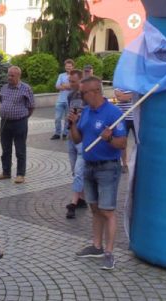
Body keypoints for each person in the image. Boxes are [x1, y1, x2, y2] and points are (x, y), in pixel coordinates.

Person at [68, 76, 127, 270]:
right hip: (89, 166)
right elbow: (77, 140)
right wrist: (73, 125)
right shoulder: (86, 112)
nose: (81, 97)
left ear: (95, 92)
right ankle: (96, 246)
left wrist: (109, 139)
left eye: (83, 93)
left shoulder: (113, 113)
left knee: (107, 211)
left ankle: (109, 253)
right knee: (94, 209)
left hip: (108, 167)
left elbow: (122, 143)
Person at [0, 66, 35, 184]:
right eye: (9, 75)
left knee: (20, 149)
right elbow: (2, 100)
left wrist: (23, 117)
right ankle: (6, 172)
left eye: (12, 76)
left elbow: (31, 106)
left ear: (18, 76)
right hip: (5, 122)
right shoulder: (4, 88)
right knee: (5, 149)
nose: (9, 77)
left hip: (19, 122)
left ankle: (20, 174)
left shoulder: (26, 88)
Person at [64, 69, 88, 219]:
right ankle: (82, 199)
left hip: (83, 138)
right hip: (71, 136)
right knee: (75, 171)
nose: (70, 84)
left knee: (79, 172)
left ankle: (73, 203)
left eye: (73, 81)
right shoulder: (70, 96)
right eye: (70, 81)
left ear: (80, 80)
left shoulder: (87, 96)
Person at [113, 87, 138, 174]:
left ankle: (138, 163)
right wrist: (132, 95)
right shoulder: (119, 85)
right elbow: (120, 98)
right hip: (123, 118)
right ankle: (124, 164)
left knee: (139, 143)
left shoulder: (134, 84)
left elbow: (124, 96)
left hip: (135, 117)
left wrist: (125, 95)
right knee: (122, 143)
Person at [51, 59, 74, 140]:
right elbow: (57, 86)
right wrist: (67, 86)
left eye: (70, 66)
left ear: (73, 67)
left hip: (70, 101)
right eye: (67, 66)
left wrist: (64, 85)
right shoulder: (61, 75)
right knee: (57, 118)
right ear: (65, 67)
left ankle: (65, 134)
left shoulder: (74, 76)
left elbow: (73, 86)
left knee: (67, 119)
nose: (68, 68)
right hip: (60, 100)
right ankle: (57, 133)